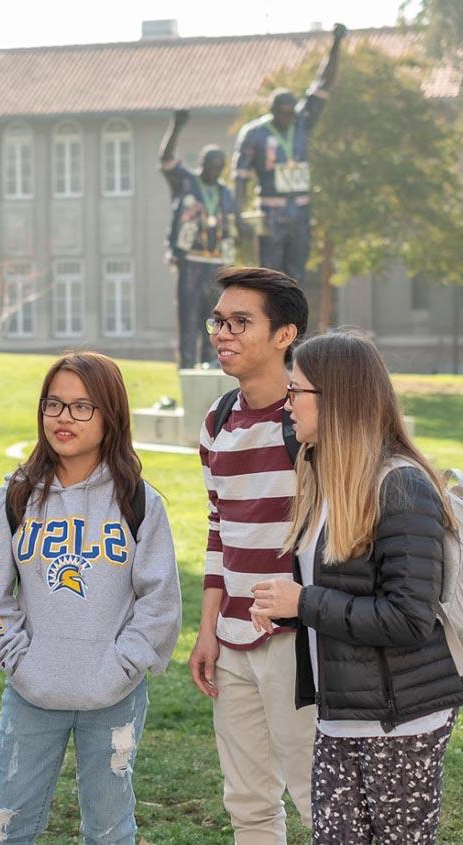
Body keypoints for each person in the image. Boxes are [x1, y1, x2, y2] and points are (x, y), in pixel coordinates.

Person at [249, 329, 463, 845]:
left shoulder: (402, 486)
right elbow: (344, 591)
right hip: (341, 715)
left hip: (403, 720)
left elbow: (408, 618)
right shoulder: (327, 480)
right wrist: (290, 610)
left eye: (295, 391)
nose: (287, 404)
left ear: (335, 398)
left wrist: (304, 602)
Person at [0, 351, 182, 845]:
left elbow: (160, 600)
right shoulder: (16, 495)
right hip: (31, 694)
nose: (64, 418)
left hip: (113, 697)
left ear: (111, 417)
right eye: (54, 404)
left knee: (110, 831)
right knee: (7, 827)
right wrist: (20, 663)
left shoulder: (139, 501)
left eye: (82, 407)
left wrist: (122, 665)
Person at [189, 266, 317, 843]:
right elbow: (220, 531)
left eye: (241, 322)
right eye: (219, 320)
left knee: (315, 793)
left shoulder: (314, 423)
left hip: (300, 638)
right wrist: (207, 629)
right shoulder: (216, 422)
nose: (223, 333)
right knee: (246, 799)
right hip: (234, 640)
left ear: (284, 335)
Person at [233, 24, 346, 283]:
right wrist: (237, 215)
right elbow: (240, 178)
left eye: (291, 113)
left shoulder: (302, 122)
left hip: (300, 211)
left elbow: (323, 82)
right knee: (272, 277)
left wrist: (336, 44)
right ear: (273, 112)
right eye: (283, 114)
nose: (288, 118)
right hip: (271, 212)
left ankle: (295, 323)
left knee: (297, 274)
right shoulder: (254, 133)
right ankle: (272, 322)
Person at [160, 108, 237, 369]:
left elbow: (233, 226)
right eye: (212, 167)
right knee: (188, 314)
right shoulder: (186, 182)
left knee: (213, 317)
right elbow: (166, 159)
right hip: (190, 260)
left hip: (216, 263)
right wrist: (176, 126)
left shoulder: (225, 193)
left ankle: (209, 361)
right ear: (202, 164)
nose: (215, 172)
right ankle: (186, 363)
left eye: (220, 168)